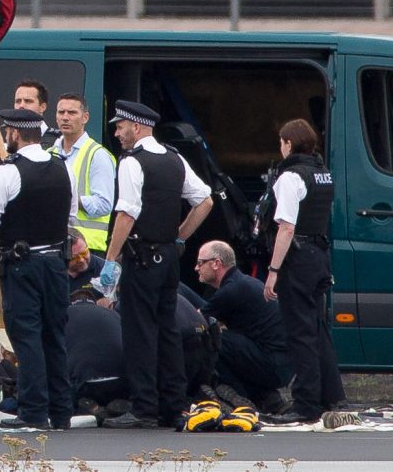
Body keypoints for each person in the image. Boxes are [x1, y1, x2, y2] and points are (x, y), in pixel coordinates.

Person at [101, 100, 213, 429]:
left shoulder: (133, 161)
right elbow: (204, 200)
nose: (117, 133)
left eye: (120, 127)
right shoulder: (174, 158)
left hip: (141, 258)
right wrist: (178, 237)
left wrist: (110, 259)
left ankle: (144, 407)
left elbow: (127, 213)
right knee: (167, 333)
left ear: (137, 127)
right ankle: (174, 405)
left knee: (139, 333)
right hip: (167, 260)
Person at [0, 108, 76, 430]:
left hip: (23, 265)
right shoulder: (63, 167)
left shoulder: (7, 172)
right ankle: (61, 412)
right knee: (55, 337)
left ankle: (33, 412)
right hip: (56, 264)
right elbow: (70, 216)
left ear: (15, 134)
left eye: (7, 131)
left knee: (27, 337)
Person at [262, 119, 345, 423]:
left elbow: (285, 228)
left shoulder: (290, 177)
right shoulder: (322, 174)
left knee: (300, 333)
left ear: (288, 143)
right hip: (318, 255)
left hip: (297, 258)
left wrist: (273, 270)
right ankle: (332, 396)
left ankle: (306, 403)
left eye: (282, 142)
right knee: (317, 329)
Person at [193, 240, 293, 409]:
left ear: (216, 264)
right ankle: (265, 397)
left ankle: (239, 395)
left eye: (200, 263)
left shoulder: (231, 290)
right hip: (281, 364)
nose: (196, 268)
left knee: (212, 340)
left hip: (273, 365)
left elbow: (195, 320)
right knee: (225, 340)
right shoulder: (241, 283)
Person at [51, 94, 116, 257]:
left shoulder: (97, 155)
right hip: (54, 245)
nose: (65, 117)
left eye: (72, 113)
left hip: (87, 248)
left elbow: (104, 204)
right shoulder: (49, 153)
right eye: (61, 112)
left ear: (85, 117)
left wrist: (70, 199)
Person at [13, 80, 59, 149]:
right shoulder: (7, 139)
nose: (21, 105)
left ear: (42, 107)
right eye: (18, 101)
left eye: (28, 101)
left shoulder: (58, 141)